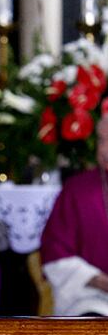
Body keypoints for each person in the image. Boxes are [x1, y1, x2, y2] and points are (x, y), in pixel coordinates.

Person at [41, 114, 108, 316]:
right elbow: (55, 252)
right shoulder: (76, 190)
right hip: (92, 300)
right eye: (102, 141)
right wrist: (100, 281)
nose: (104, 150)